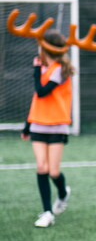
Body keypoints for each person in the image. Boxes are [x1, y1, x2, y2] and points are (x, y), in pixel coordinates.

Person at [21, 30, 74, 228]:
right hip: (38, 125)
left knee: (53, 171)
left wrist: (36, 70)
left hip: (57, 126)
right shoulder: (44, 69)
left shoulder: (60, 70)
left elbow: (41, 92)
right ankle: (47, 212)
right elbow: (36, 101)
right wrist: (27, 126)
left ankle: (62, 194)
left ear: (46, 48)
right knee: (41, 167)